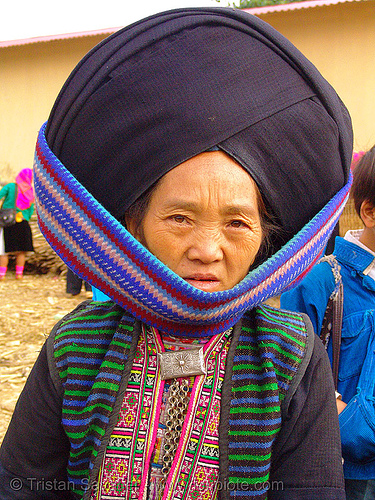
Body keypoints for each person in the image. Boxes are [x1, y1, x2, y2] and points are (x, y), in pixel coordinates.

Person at [0, 8, 353, 500]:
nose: (208, 250)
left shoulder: (289, 355)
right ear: (133, 227)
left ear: (263, 237)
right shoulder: (76, 346)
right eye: (180, 219)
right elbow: (24, 485)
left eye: (237, 223)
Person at [281, 146, 375, 500]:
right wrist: (356, 425)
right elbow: (296, 373)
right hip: (349, 470)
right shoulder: (321, 281)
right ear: (369, 211)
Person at [0, 168, 34, 280]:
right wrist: (24, 216)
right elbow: (31, 210)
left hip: (8, 221)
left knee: (4, 250)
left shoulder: (10, 187)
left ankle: (2, 275)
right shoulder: (30, 191)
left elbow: (0, 195)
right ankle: (19, 274)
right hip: (23, 223)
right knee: (21, 251)